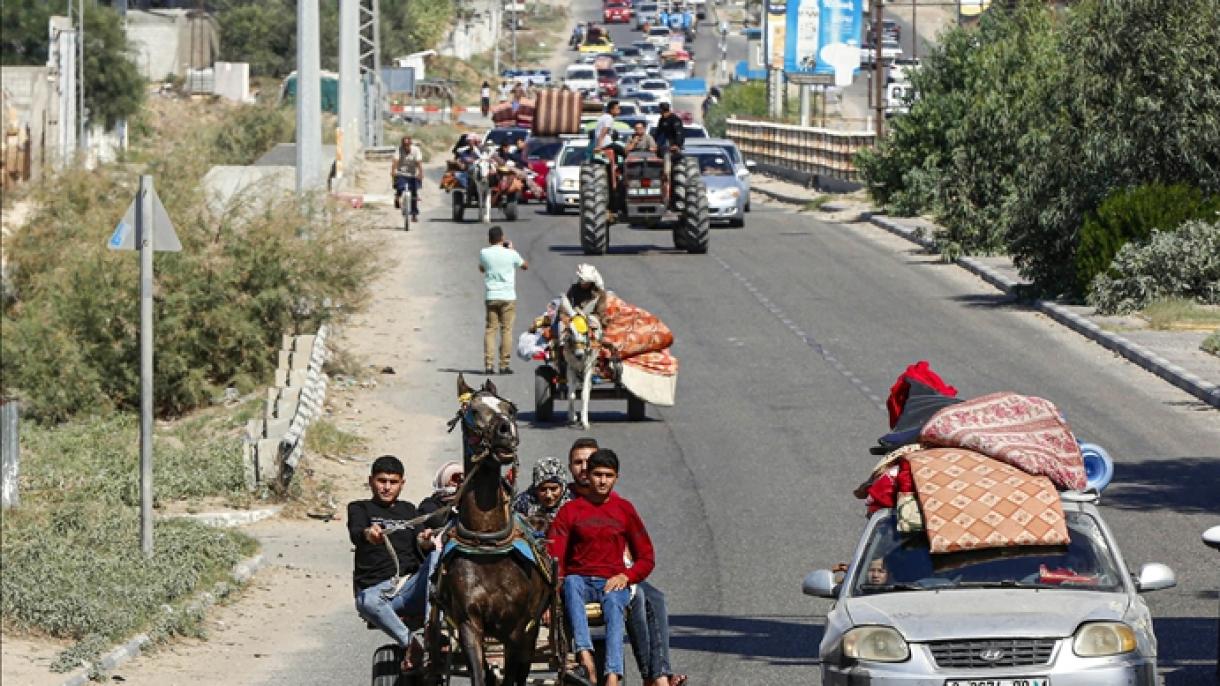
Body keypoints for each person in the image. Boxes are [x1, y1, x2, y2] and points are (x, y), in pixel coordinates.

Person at [550, 449, 656, 686]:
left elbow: (646, 557)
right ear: (587, 476)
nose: (602, 481)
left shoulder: (625, 510)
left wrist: (626, 576)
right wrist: (555, 585)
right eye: (597, 474)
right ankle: (584, 655)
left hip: (612, 581)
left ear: (616, 477)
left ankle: (612, 675)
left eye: (608, 475)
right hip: (580, 579)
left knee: (614, 606)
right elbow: (554, 554)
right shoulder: (570, 511)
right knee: (571, 584)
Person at [348, 455, 437, 673]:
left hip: (411, 586)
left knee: (437, 555)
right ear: (371, 481)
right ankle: (411, 644)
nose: (387, 487)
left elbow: (420, 540)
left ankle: (432, 630)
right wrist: (370, 533)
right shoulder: (360, 508)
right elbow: (357, 533)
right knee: (365, 601)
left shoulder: (408, 510)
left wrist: (425, 541)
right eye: (382, 481)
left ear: (402, 484)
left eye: (393, 482)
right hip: (379, 592)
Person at [478, 226, 528, 375]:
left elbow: (482, 268)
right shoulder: (511, 253)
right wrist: (511, 249)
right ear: (502, 238)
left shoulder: (484, 253)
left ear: (489, 239)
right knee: (506, 330)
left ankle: (488, 365)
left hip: (492, 296)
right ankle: (504, 365)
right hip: (508, 297)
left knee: (490, 330)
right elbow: (525, 265)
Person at [512, 456, 571, 527]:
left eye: (553, 489)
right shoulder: (522, 504)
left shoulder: (572, 506)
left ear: (563, 488)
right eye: (543, 489)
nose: (548, 495)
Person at [391, 136, 423, 219]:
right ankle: (397, 197)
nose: (406, 147)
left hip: (413, 174)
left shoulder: (416, 150)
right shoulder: (399, 149)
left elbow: (419, 162)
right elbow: (395, 160)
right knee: (399, 186)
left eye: (408, 145)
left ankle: (414, 214)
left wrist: (420, 173)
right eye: (404, 145)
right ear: (402, 145)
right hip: (401, 172)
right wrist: (393, 170)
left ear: (410, 144)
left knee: (414, 194)